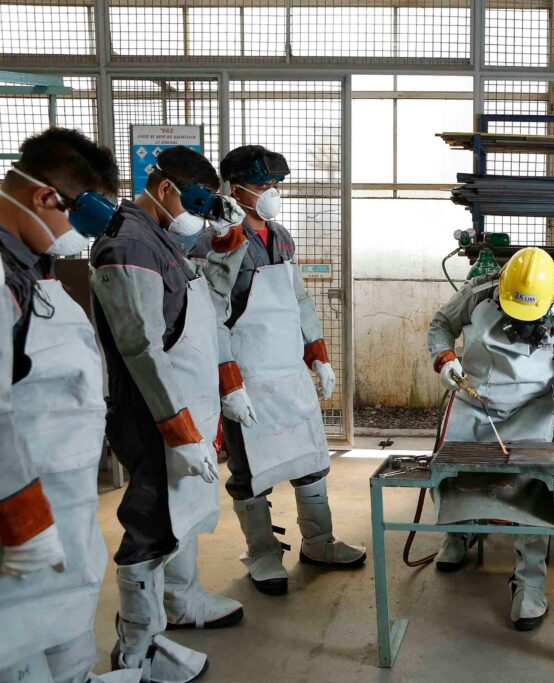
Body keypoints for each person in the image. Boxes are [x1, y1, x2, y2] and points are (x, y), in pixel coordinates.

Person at [91, 146, 249, 682]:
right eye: (196, 204)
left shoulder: (161, 238)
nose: (199, 218)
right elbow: (142, 348)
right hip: (152, 417)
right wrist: (179, 429)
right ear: (165, 189)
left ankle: (180, 604)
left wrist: (228, 237)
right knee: (151, 526)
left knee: (179, 516)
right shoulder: (129, 245)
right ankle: (137, 652)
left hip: (180, 410)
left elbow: (208, 306)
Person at [189, 145, 364, 597]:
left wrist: (318, 353)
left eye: (274, 184)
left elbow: (299, 298)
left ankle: (319, 542)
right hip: (247, 378)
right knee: (250, 470)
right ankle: (263, 552)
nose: (271, 192)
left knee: (311, 460)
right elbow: (211, 316)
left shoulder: (281, 237)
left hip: (289, 371)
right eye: (262, 184)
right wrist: (228, 382)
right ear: (235, 189)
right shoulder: (213, 244)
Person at [0, 129, 139, 683]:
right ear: (43, 196)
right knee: (16, 640)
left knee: (60, 621)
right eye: (77, 221)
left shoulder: (30, 265)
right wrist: (18, 509)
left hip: (58, 492)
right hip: (22, 501)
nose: (76, 240)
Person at [427, 246, 554, 631]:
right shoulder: (477, 291)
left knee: (531, 491)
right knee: (453, 473)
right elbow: (441, 323)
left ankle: (530, 581)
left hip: (529, 408)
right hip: (473, 399)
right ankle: (459, 532)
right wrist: (445, 358)